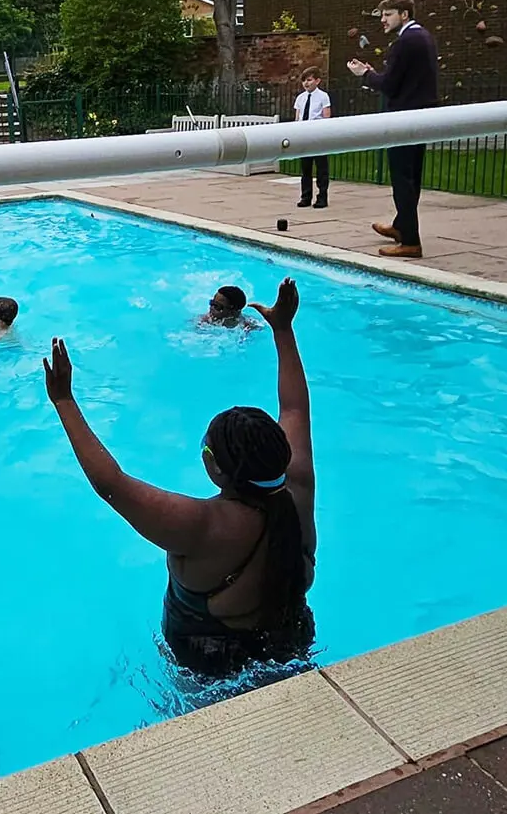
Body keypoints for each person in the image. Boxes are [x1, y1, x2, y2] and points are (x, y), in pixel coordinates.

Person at [44, 277, 317, 680]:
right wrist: (283, 329)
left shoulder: (200, 525)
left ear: (218, 469)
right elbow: (293, 407)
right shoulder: (298, 484)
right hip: (290, 640)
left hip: (212, 664)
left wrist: (63, 401)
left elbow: (110, 484)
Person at [347, 0, 439, 259]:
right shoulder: (424, 37)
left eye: (388, 15)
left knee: (403, 180)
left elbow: (389, 85)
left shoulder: (404, 42)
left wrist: (364, 74)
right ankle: (401, 226)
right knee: (412, 177)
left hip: (404, 118)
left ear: (404, 15)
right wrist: (375, 74)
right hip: (420, 116)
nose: (383, 21)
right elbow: (401, 79)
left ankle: (410, 241)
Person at [294, 66, 332, 209]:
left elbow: (326, 115)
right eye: (304, 80)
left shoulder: (323, 96)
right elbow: (297, 117)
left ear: (317, 81)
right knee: (306, 169)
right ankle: (306, 196)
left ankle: (322, 197)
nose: (306, 83)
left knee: (321, 168)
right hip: (304, 135)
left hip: (317, 134)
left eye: (309, 80)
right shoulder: (300, 98)